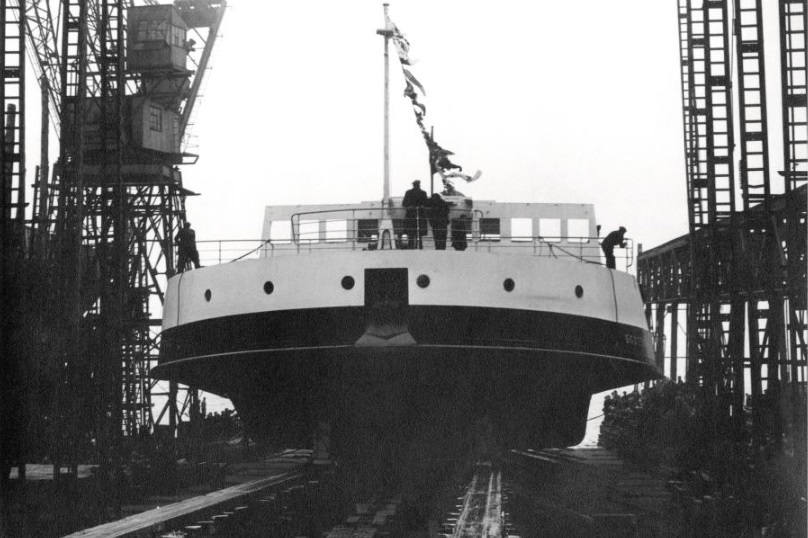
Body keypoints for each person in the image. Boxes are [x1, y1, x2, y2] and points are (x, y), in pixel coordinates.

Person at [402, 179, 429, 249]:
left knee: (418, 232)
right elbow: (404, 203)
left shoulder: (422, 193)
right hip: (412, 215)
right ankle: (412, 246)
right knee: (411, 232)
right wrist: (410, 207)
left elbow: (426, 203)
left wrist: (422, 206)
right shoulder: (409, 193)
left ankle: (418, 246)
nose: (417, 186)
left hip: (419, 214)